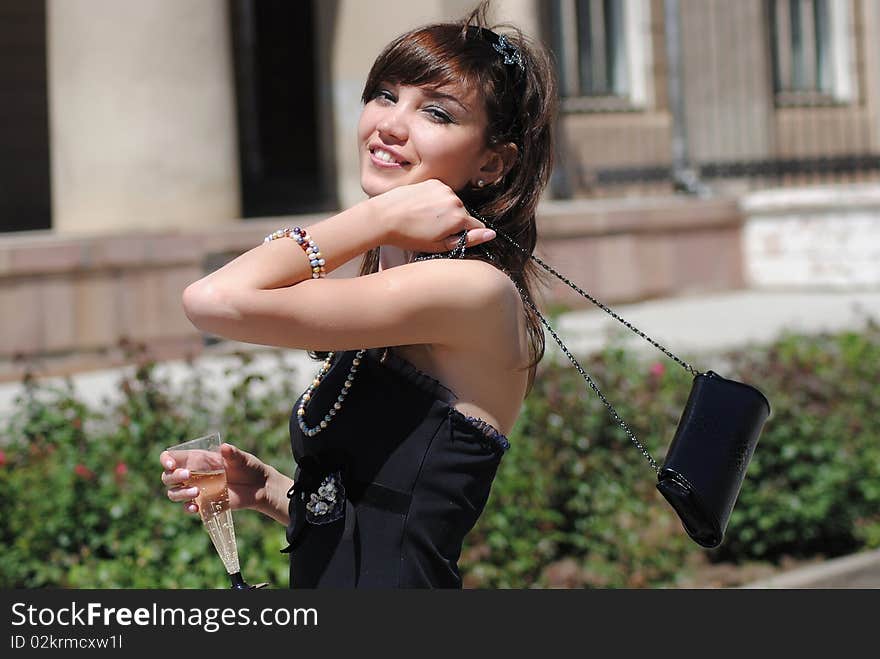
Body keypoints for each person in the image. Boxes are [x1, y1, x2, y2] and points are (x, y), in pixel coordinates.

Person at [160, 0, 558, 588]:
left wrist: (374, 218)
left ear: (493, 163)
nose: (390, 124)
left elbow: (213, 300)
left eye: (438, 113)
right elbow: (390, 516)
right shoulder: (398, 281)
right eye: (384, 94)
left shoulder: (468, 287)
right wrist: (271, 491)